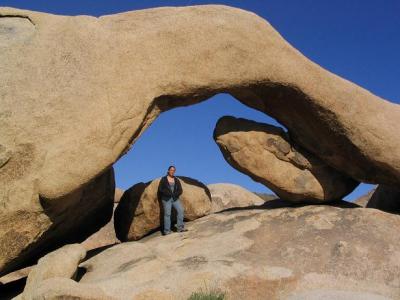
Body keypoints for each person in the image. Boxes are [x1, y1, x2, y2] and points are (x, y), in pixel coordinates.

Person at [157, 165, 188, 235]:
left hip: (175, 198)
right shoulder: (163, 179)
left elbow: (180, 190)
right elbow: (160, 189)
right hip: (166, 199)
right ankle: (167, 231)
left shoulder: (176, 180)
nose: (172, 171)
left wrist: (176, 194)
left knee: (181, 210)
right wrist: (167, 194)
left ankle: (180, 228)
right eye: (171, 170)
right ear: (168, 171)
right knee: (167, 214)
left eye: (174, 170)